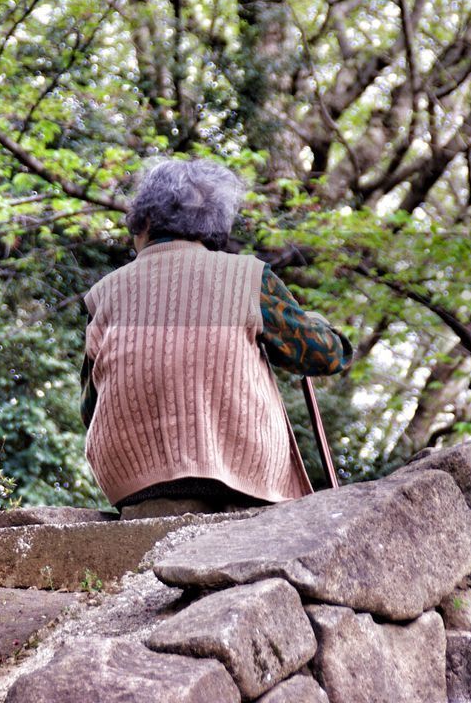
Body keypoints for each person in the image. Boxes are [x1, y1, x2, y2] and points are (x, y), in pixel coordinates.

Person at [80, 158, 353, 520]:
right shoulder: (248, 277)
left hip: (135, 481)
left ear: (143, 222)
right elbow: (326, 356)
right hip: (242, 473)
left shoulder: (104, 294)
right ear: (213, 225)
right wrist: (322, 326)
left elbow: (90, 406)